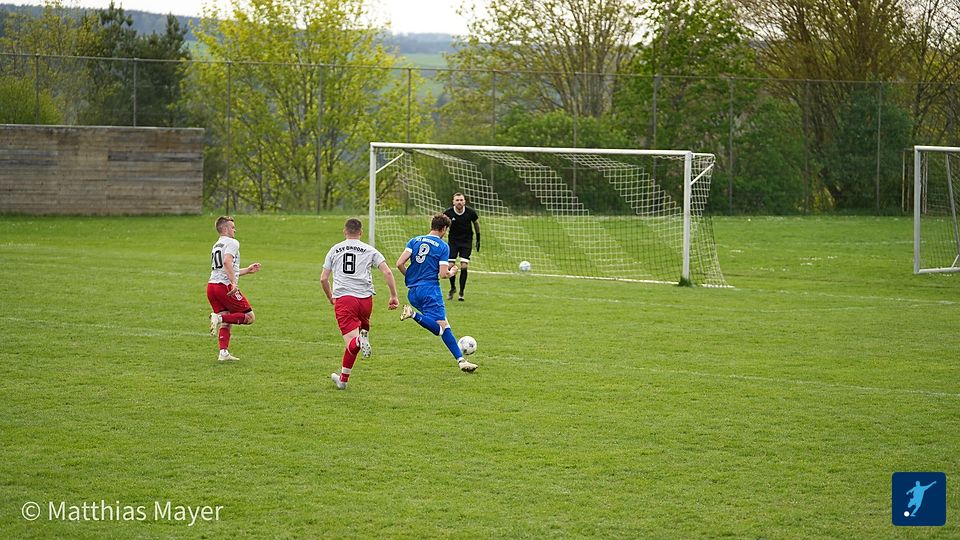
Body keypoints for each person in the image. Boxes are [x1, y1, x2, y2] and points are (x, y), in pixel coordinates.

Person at [321, 218, 400, 390]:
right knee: (353, 344)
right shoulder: (370, 249)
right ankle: (343, 380)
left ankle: (359, 340)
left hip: (345, 299)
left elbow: (323, 279)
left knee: (353, 342)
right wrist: (393, 295)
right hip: (366, 301)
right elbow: (387, 272)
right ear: (361, 232)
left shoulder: (335, 249)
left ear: (345, 231)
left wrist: (330, 297)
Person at [396, 213, 478, 373]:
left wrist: (411, 277)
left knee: (445, 325)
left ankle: (461, 361)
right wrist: (452, 271)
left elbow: (399, 263)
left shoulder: (414, 240)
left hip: (413, 293)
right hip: (430, 291)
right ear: (444, 228)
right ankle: (412, 314)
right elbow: (443, 274)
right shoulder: (442, 246)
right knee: (440, 328)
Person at [207, 216, 261, 362]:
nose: (234, 230)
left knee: (227, 320)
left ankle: (223, 353)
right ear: (225, 229)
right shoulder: (232, 242)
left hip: (212, 287)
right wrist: (233, 283)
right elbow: (226, 262)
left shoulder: (217, 244)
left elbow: (224, 268)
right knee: (249, 317)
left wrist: (247, 270)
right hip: (224, 287)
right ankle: (218, 318)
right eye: (232, 227)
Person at [443, 192, 480, 302]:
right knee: (450, 265)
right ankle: (453, 288)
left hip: (466, 242)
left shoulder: (470, 212)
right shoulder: (448, 213)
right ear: (453, 202)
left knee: (464, 266)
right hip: (453, 242)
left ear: (464, 201)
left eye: (461, 200)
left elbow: (476, 224)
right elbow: (442, 226)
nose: (459, 202)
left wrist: (478, 238)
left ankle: (461, 292)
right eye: (457, 200)